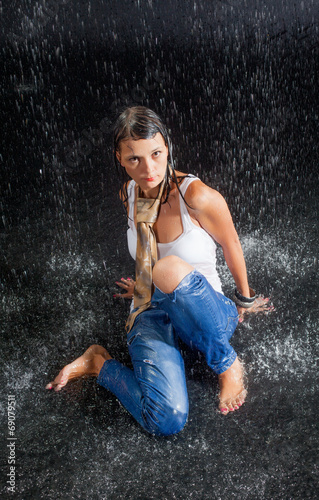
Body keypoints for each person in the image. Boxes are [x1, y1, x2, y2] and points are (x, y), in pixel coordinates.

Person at [46, 106, 269, 436]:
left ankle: (227, 364)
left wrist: (245, 301)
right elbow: (146, 249)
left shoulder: (196, 196)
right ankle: (97, 364)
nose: (148, 168)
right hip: (151, 311)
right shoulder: (129, 193)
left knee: (168, 270)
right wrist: (141, 286)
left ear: (166, 147)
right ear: (119, 158)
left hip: (204, 315)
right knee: (165, 419)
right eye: (134, 158)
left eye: (156, 153)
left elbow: (231, 244)